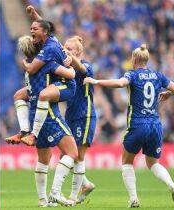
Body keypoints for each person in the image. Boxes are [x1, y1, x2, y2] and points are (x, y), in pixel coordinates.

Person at [84, 44, 174, 208]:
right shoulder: (157, 75)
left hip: (138, 124)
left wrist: (97, 81)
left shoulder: (133, 74)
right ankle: (172, 185)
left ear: (134, 59)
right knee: (153, 163)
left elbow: (121, 83)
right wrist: (168, 93)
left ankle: (134, 199)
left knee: (127, 161)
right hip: (155, 125)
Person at [15, 34, 79, 207]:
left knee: (44, 159)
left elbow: (23, 94)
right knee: (72, 153)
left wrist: (25, 129)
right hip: (49, 115)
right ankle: (55, 193)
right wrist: (72, 66)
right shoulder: (48, 64)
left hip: (34, 114)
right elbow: (71, 75)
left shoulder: (30, 68)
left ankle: (43, 201)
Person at [6, 19, 75, 146]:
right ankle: (27, 133)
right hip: (46, 112)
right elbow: (46, 27)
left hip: (47, 99)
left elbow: (32, 69)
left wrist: (25, 64)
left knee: (28, 95)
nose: (31, 31)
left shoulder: (39, 60)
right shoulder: (45, 62)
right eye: (31, 29)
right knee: (73, 155)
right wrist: (70, 66)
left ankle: (27, 132)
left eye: (34, 29)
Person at [62, 35, 96, 203]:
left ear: (78, 51)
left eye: (69, 49)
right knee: (66, 154)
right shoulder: (66, 68)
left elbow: (82, 69)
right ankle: (86, 184)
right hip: (70, 114)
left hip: (85, 114)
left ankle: (73, 197)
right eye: (65, 48)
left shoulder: (87, 66)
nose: (65, 51)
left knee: (78, 156)